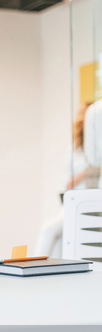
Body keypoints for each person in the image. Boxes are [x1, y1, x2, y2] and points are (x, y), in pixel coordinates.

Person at [35, 102, 100, 257]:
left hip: (91, 206)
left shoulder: (98, 150)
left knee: (54, 233)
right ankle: (37, 268)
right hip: (71, 203)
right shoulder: (75, 149)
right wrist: (87, 172)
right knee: (52, 233)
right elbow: (68, 183)